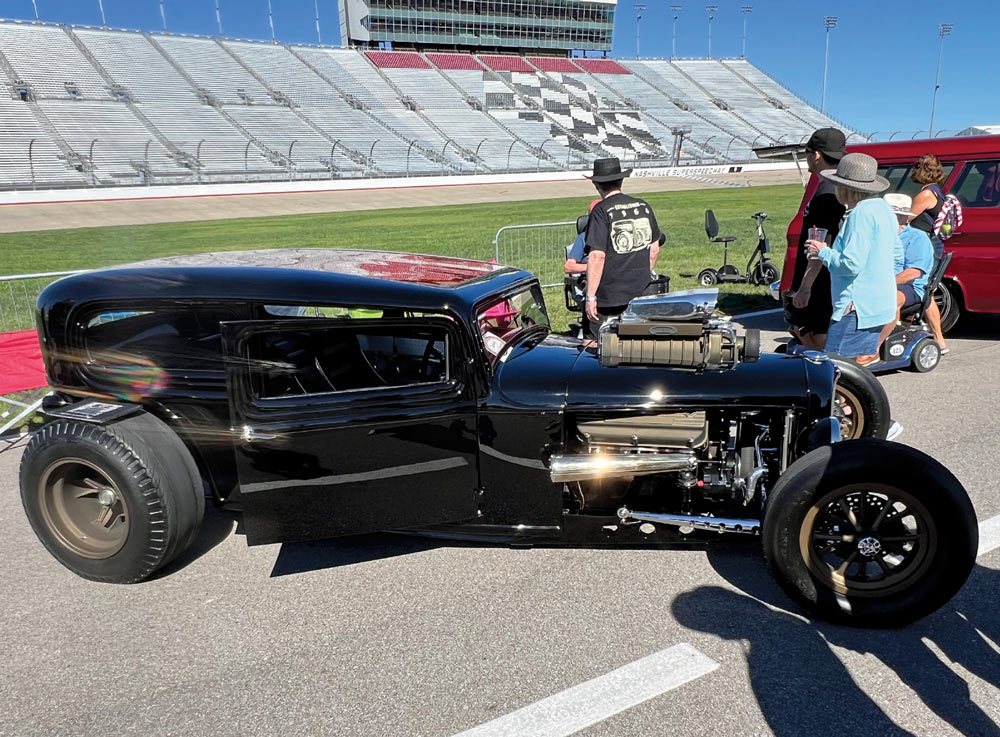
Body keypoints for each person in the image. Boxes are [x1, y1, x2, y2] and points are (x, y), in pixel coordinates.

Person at [805, 153, 899, 361]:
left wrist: (823, 251)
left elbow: (851, 264)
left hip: (856, 308)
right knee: (854, 373)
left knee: (837, 371)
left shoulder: (860, 214)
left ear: (844, 187)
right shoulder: (884, 209)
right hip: (880, 304)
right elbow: (897, 255)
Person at [582, 158, 663, 336]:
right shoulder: (643, 206)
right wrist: (643, 275)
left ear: (597, 184)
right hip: (640, 292)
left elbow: (597, 256)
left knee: (596, 347)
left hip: (608, 297)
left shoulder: (600, 211)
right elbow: (654, 249)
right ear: (621, 180)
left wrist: (590, 297)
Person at [787, 128, 848, 351]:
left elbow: (820, 243)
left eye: (808, 154)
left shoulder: (825, 193)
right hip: (828, 274)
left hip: (820, 280)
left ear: (818, 155)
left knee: (812, 336)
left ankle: (828, 382)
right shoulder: (836, 187)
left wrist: (805, 287)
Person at [859, 193, 935, 364]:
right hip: (877, 282)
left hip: (910, 286)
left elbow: (914, 272)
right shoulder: (878, 235)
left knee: (891, 298)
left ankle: (874, 349)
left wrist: (883, 283)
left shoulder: (917, 237)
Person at [906, 154, 949, 352]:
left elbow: (905, 219)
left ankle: (939, 339)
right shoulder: (937, 192)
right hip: (934, 245)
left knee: (923, 291)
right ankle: (908, 330)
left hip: (926, 247)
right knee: (925, 290)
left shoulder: (924, 195)